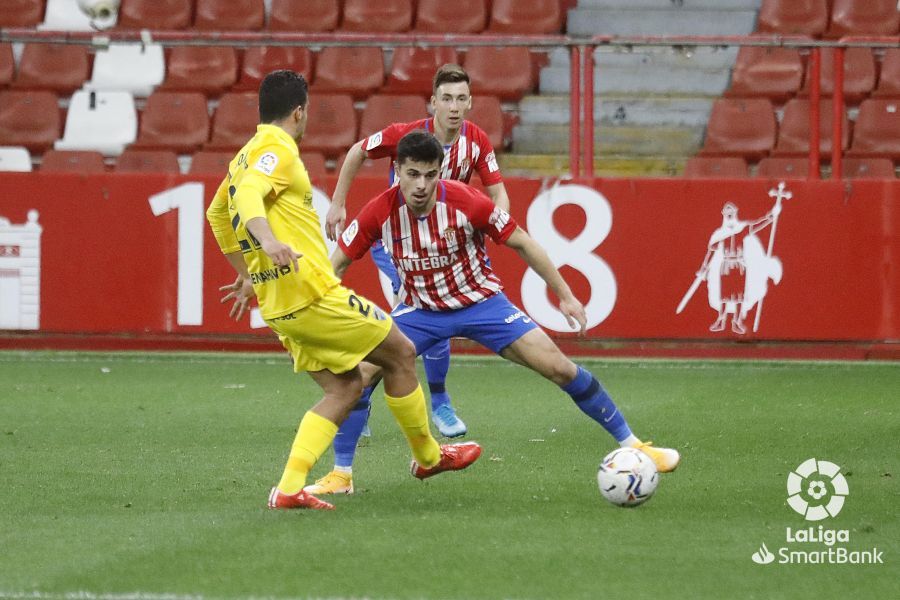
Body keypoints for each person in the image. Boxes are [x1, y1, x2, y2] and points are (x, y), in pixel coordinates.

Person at [309, 130, 680, 496]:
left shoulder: (467, 201)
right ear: (398, 172)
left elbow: (522, 241)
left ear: (440, 171)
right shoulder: (378, 211)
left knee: (559, 367)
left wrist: (565, 294)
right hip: (418, 310)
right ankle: (342, 475)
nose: (421, 185)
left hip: (481, 303)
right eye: (412, 174)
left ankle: (634, 445)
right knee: (360, 375)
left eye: (430, 174)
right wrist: (326, 317)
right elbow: (336, 265)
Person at [205, 71, 481, 511]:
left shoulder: (243, 157)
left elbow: (218, 215)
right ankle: (429, 457)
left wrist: (247, 272)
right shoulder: (277, 149)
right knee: (401, 351)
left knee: (345, 389)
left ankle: (290, 488)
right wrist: (269, 242)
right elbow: (251, 198)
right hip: (312, 294)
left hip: (279, 306)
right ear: (299, 111)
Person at [322, 64, 509, 446]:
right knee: (428, 313)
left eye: (461, 99)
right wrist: (338, 202)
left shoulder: (477, 141)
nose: (454, 107)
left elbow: (498, 192)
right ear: (433, 103)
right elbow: (359, 151)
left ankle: (363, 396)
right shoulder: (405, 136)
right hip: (396, 243)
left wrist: (496, 224)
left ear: (470, 103)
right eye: (446, 99)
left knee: (415, 324)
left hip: (444, 244)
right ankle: (434, 401)